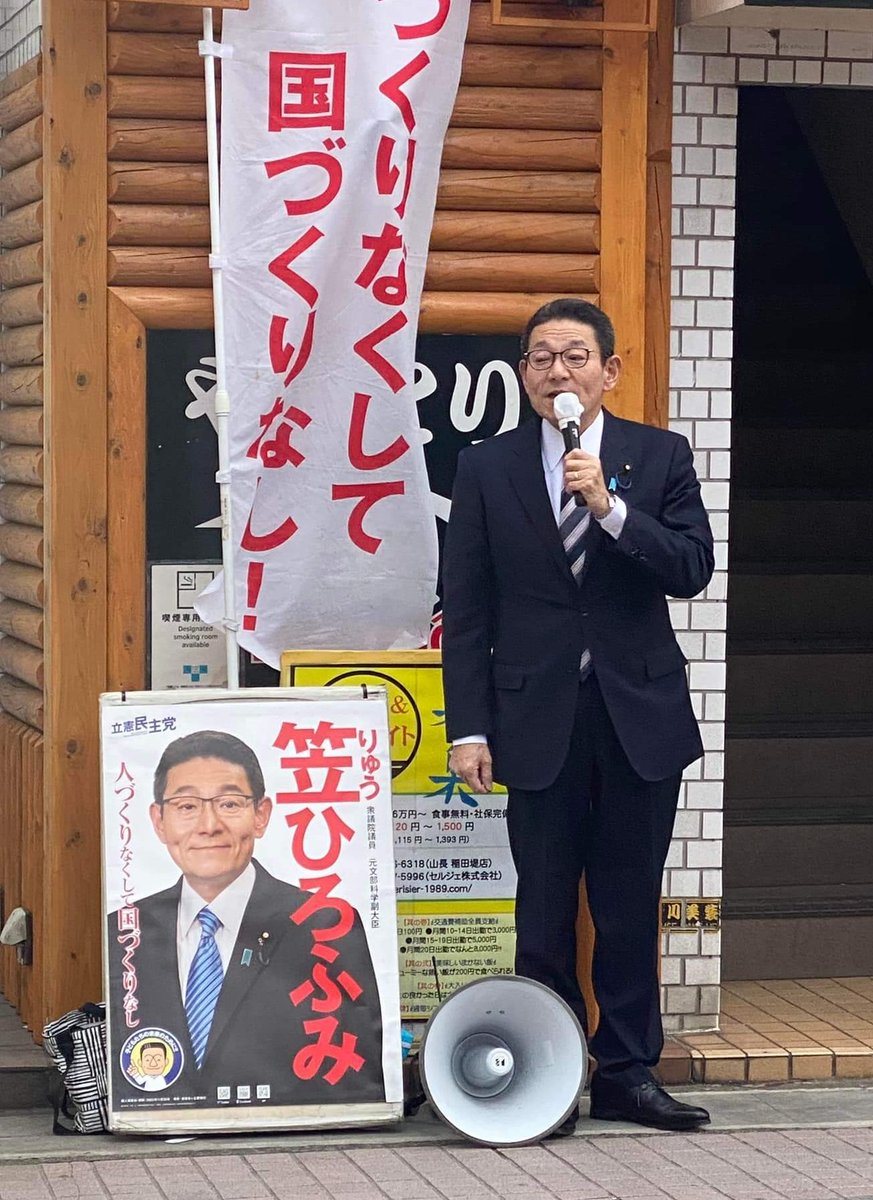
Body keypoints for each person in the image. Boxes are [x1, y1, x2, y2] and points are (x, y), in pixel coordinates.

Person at [441, 298, 714, 1133]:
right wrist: (468, 728)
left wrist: (609, 508)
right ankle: (549, 1074)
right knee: (544, 907)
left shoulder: (657, 455)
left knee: (628, 906)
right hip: (534, 717)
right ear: (523, 373)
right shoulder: (485, 467)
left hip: (638, 715)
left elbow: (690, 568)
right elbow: (469, 607)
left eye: (573, 356)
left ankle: (628, 1073)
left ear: (608, 370)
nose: (556, 371)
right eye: (540, 357)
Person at [107, 730, 385, 1108]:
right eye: (186, 806)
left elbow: (353, 1070)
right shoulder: (125, 930)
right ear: (159, 820)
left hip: (291, 1130)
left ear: (261, 815)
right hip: (159, 1124)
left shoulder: (325, 924)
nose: (209, 825)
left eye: (229, 804)